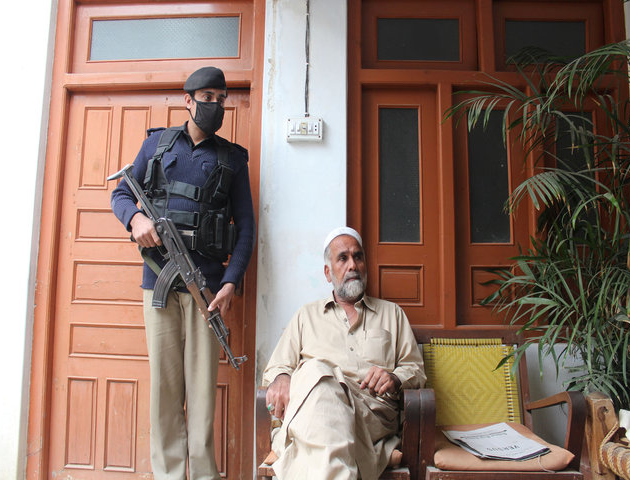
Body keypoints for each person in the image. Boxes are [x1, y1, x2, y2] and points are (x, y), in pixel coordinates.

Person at [110, 66, 255, 480]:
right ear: (187, 100)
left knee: (203, 393)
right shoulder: (156, 145)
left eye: (222, 98)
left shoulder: (232, 159)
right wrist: (135, 219)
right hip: (158, 282)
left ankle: (205, 474)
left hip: (206, 290)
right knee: (165, 390)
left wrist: (231, 282)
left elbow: (245, 228)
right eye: (207, 97)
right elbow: (121, 192)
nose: (216, 105)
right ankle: (170, 474)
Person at [262, 227, 425, 480]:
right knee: (317, 374)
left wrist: (394, 378)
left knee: (316, 377)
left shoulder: (392, 315)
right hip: (314, 414)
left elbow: (415, 370)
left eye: (358, 257)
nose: (353, 265)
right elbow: (275, 369)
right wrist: (282, 377)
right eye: (343, 258)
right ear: (328, 273)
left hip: (369, 419)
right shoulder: (306, 316)